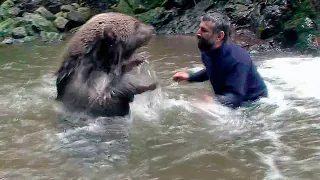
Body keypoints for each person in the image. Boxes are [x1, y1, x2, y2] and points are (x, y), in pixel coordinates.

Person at [173, 12, 268, 109]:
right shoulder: (208, 50)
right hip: (229, 97)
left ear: (219, 36)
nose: (198, 33)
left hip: (254, 103)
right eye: (199, 28)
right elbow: (213, 69)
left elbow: (236, 97)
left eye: (204, 30)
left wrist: (214, 101)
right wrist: (190, 77)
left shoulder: (238, 60)